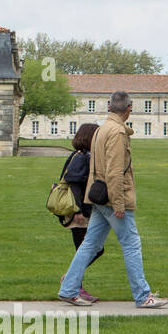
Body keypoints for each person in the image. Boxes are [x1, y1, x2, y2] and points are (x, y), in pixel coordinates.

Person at [56, 92, 168, 308]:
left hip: (98, 196)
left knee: (90, 244)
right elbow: (115, 171)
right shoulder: (117, 132)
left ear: (110, 106)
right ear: (129, 108)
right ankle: (143, 296)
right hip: (112, 197)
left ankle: (68, 289)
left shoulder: (101, 129)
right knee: (131, 244)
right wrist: (118, 203)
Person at [57, 122, 103, 307]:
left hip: (81, 211)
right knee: (90, 249)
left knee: (88, 250)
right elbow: (73, 180)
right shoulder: (81, 156)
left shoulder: (84, 156)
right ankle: (71, 282)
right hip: (78, 213)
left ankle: (73, 283)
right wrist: (82, 209)